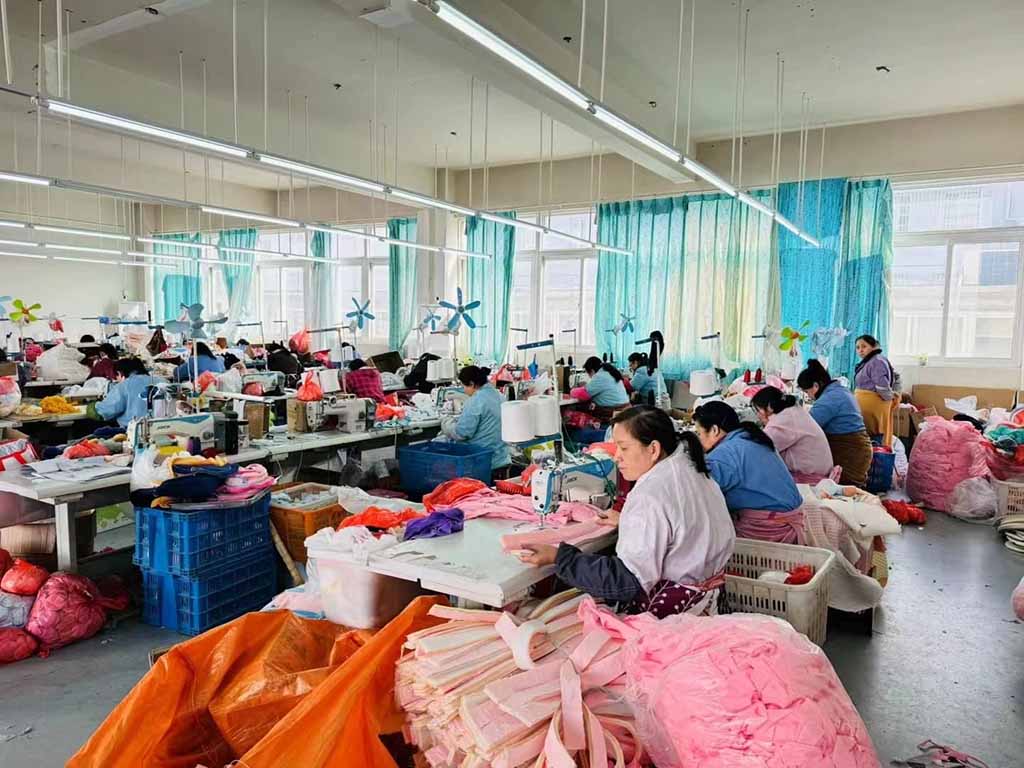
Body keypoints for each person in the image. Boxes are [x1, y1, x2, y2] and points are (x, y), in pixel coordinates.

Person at [517, 407, 735, 618]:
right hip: (710, 601)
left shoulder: (651, 493)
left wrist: (559, 557)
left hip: (674, 617)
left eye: (624, 448)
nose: (616, 457)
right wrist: (628, 521)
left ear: (653, 449)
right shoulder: (689, 467)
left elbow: (625, 582)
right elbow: (682, 525)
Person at [694, 400, 805, 544]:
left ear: (714, 430)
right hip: (788, 521)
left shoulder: (725, 454)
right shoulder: (752, 438)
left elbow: (699, 491)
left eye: (699, 433)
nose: (698, 439)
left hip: (768, 530)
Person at [797, 359, 873, 487]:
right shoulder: (839, 391)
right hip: (857, 449)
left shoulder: (830, 399)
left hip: (851, 453)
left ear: (816, 386)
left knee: (843, 493)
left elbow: (807, 427)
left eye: (806, 391)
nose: (808, 396)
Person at [750, 386, 834, 483]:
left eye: (758, 410)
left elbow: (759, 447)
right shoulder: (793, 411)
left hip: (810, 479)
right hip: (817, 472)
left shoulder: (785, 419)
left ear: (769, 407)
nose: (758, 415)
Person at [443, 365, 509, 469]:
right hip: (501, 457)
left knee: (440, 441)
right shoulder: (500, 396)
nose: (464, 390)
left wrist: (446, 424)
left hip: (482, 460)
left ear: (472, 384)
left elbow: (462, 434)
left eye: (464, 386)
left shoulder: (476, 401)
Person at [853, 334, 899, 448]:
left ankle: (875, 464)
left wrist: (891, 396)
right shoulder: (869, 361)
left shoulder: (877, 361)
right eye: (858, 347)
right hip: (868, 409)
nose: (860, 350)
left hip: (875, 409)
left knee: (873, 441)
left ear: (873, 346)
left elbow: (883, 387)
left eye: (864, 346)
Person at [89, 357, 160, 428]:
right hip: (166, 429)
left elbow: (104, 411)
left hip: (135, 431)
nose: (116, 380)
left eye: (116, 377)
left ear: (120, 373)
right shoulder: (162, 381)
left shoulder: (123, 386)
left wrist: (91, 407)